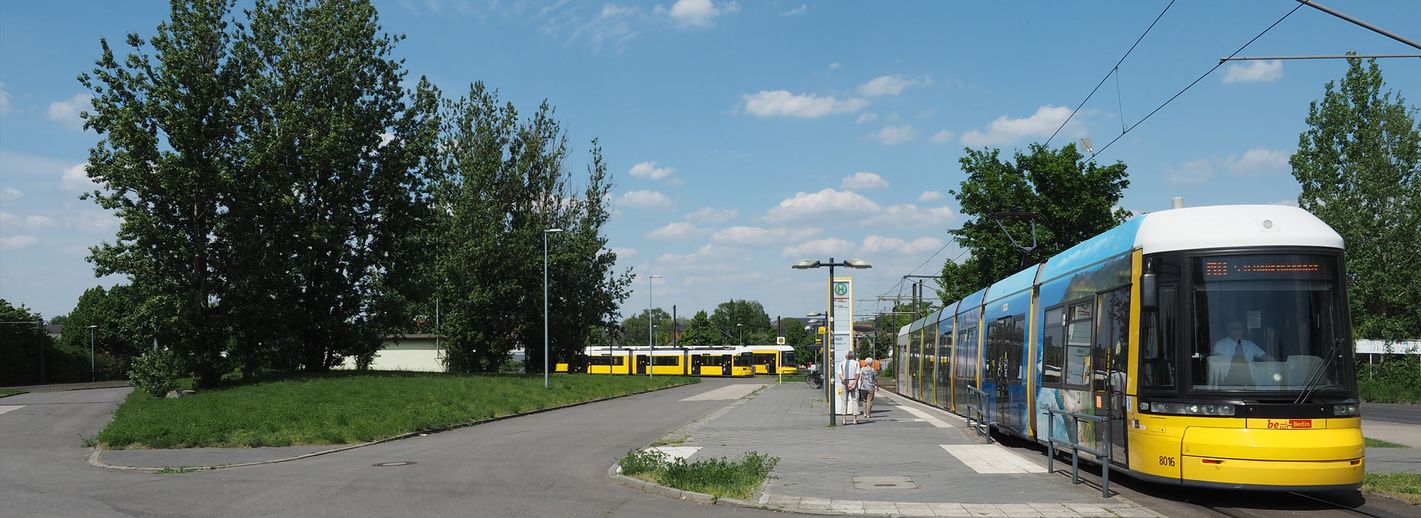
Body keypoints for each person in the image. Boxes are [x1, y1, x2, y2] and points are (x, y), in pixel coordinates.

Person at [838, 350, 861, 425]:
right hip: (853, 381)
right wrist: (854, 384)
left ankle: (844, 419)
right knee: (855, 400)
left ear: (845, 356)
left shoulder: (842, 363)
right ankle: (855, 419)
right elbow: (857, 374)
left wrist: (846, 384)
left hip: (845, 382)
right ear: (852, 356)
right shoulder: (856, 363)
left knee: (844, 401)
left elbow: (840, 375)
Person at [859, 356, 877, 420]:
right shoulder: (873, 370)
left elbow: (860, 378)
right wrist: (877, 386)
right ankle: (868, 414)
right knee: (870, 401)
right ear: (871, 363)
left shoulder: (862, 369)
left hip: (863, 387)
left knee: (864, 401)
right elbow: (875, 379)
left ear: (866, 362)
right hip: (871, 387)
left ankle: (864, 413)